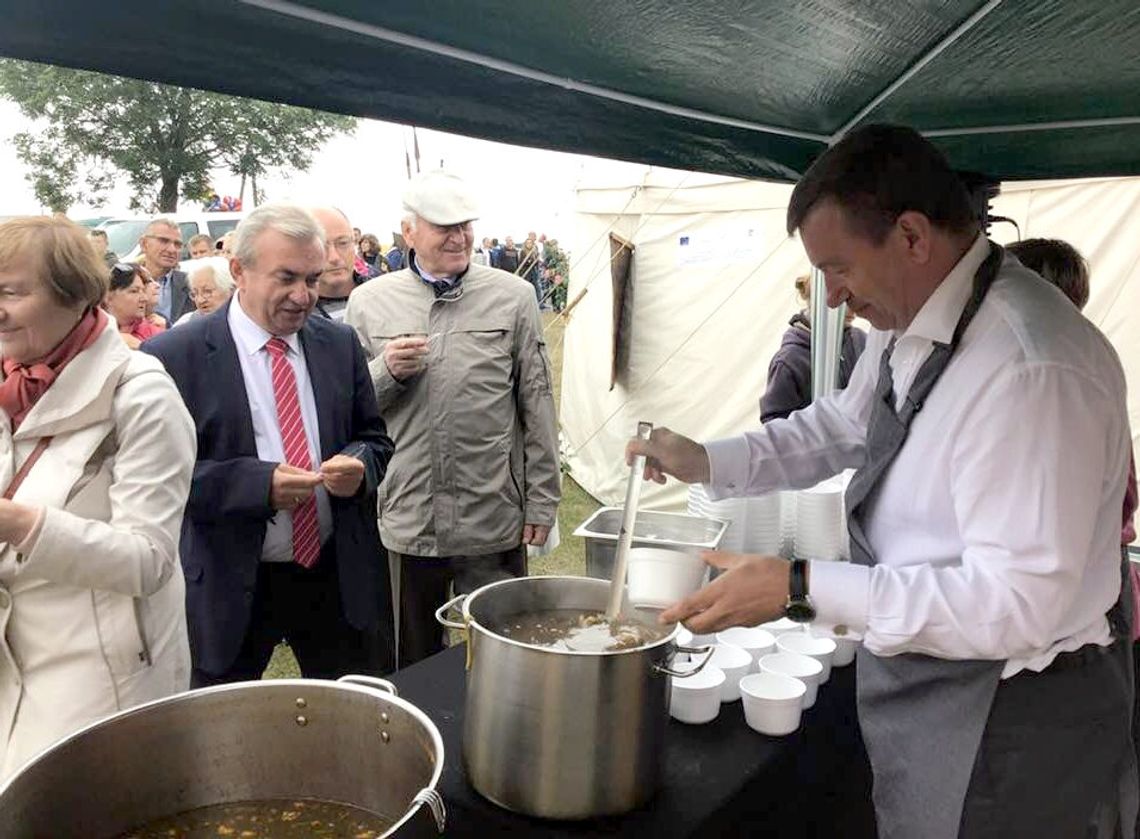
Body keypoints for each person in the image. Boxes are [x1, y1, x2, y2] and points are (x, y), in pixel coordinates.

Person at [629, 125, 1135, 838]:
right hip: (943, 682)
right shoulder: (916, 325)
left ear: (911, 235)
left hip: (1010, 715)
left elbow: (1017, 604)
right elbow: (839, 426)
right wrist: (705, 460)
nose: (831, 300)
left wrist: (800, 587)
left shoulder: (1028, 370)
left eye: (839, 269)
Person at [142, 204, 396, 686]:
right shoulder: (176, 356)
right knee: (224, 734)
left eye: (313, 279)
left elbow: (375, 439)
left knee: (345, 724)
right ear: (238, 269)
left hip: (332, 575)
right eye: (286, 278)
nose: (303, 296)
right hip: (232, 583)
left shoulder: (338, 344)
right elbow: (160, 478)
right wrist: (257, 484)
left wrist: (360, 465)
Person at [0, 216, 194, 779]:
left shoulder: (141, 394)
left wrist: (19, 523)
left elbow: (149, 561)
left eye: (10, 292)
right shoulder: (10, 381)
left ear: (75, 295)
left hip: (103, 679)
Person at [345, 171, 561, 668]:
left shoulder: (513, 296)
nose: (458, 236)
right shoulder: (370, 302)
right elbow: (352, 413)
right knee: (415, 660)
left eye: (464, 224)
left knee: (505, 653)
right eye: (443, 226)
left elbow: (537, 402)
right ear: (409, 232)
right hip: (409, 515)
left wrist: (542, 500)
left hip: (493, 513)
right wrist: (384, 374)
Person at [759, 273, 866, 423]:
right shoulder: (789, 361)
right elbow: (774, 421)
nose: (852, 309)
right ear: (822, 302)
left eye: (852, 297)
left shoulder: (860, 339)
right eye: (844, 300)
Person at [310, 207, 372, 322]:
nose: (334, 257)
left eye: (343, 243)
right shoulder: (295, 316)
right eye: (322, 246)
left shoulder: (382, 297)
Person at [138, 218, 193, 323]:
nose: (172, 249)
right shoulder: (123, 283)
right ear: (144, 244)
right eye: (164, 241)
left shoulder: (190, 284)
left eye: (177, 244)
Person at [104, 263, 164, 349]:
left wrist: (143, 348)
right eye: (134, 291)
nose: (144, 298)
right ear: (108, 297)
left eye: (143, 290)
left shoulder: (157, 336)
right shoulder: (90, 333)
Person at [173, 257, 235, 326]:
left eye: (207, 291)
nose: (200, 300)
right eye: (195, 294)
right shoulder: (185, 323)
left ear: (231, 290)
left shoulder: (245, 322)